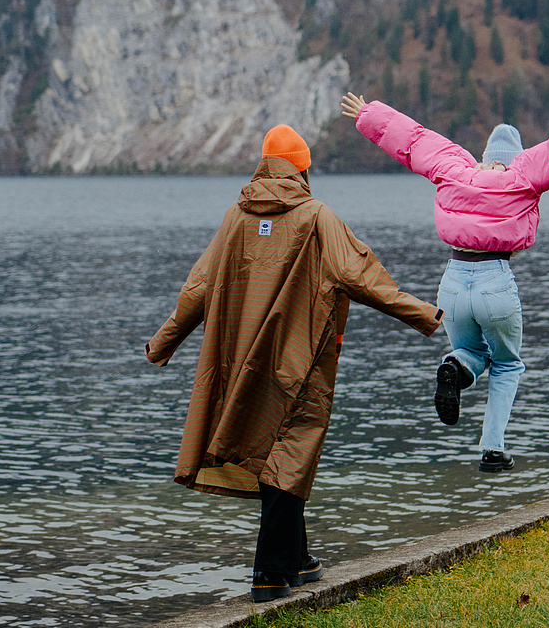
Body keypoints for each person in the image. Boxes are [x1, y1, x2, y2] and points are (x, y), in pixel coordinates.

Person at [144, 124, 441, 603]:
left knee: (274, 455)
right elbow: (363, 275)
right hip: (299, 363)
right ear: (302, 168)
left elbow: (197, 288)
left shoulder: (235, 219)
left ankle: (298, 559)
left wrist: (161, 343)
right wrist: (428, 315)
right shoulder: (317, 218)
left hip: (242, 364)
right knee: (289, 455)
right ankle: (269, 574)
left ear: (264, 166)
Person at [339, 92, 549, 472]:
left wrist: (368, 114)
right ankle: (493, 449)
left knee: (472, 354)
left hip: (453, 282)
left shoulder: (453, 168)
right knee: (507, 365)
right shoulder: (524, 175)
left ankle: (454, 369)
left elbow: (411, 140)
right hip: (495, 280)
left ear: (484, 155)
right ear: (515, 157)